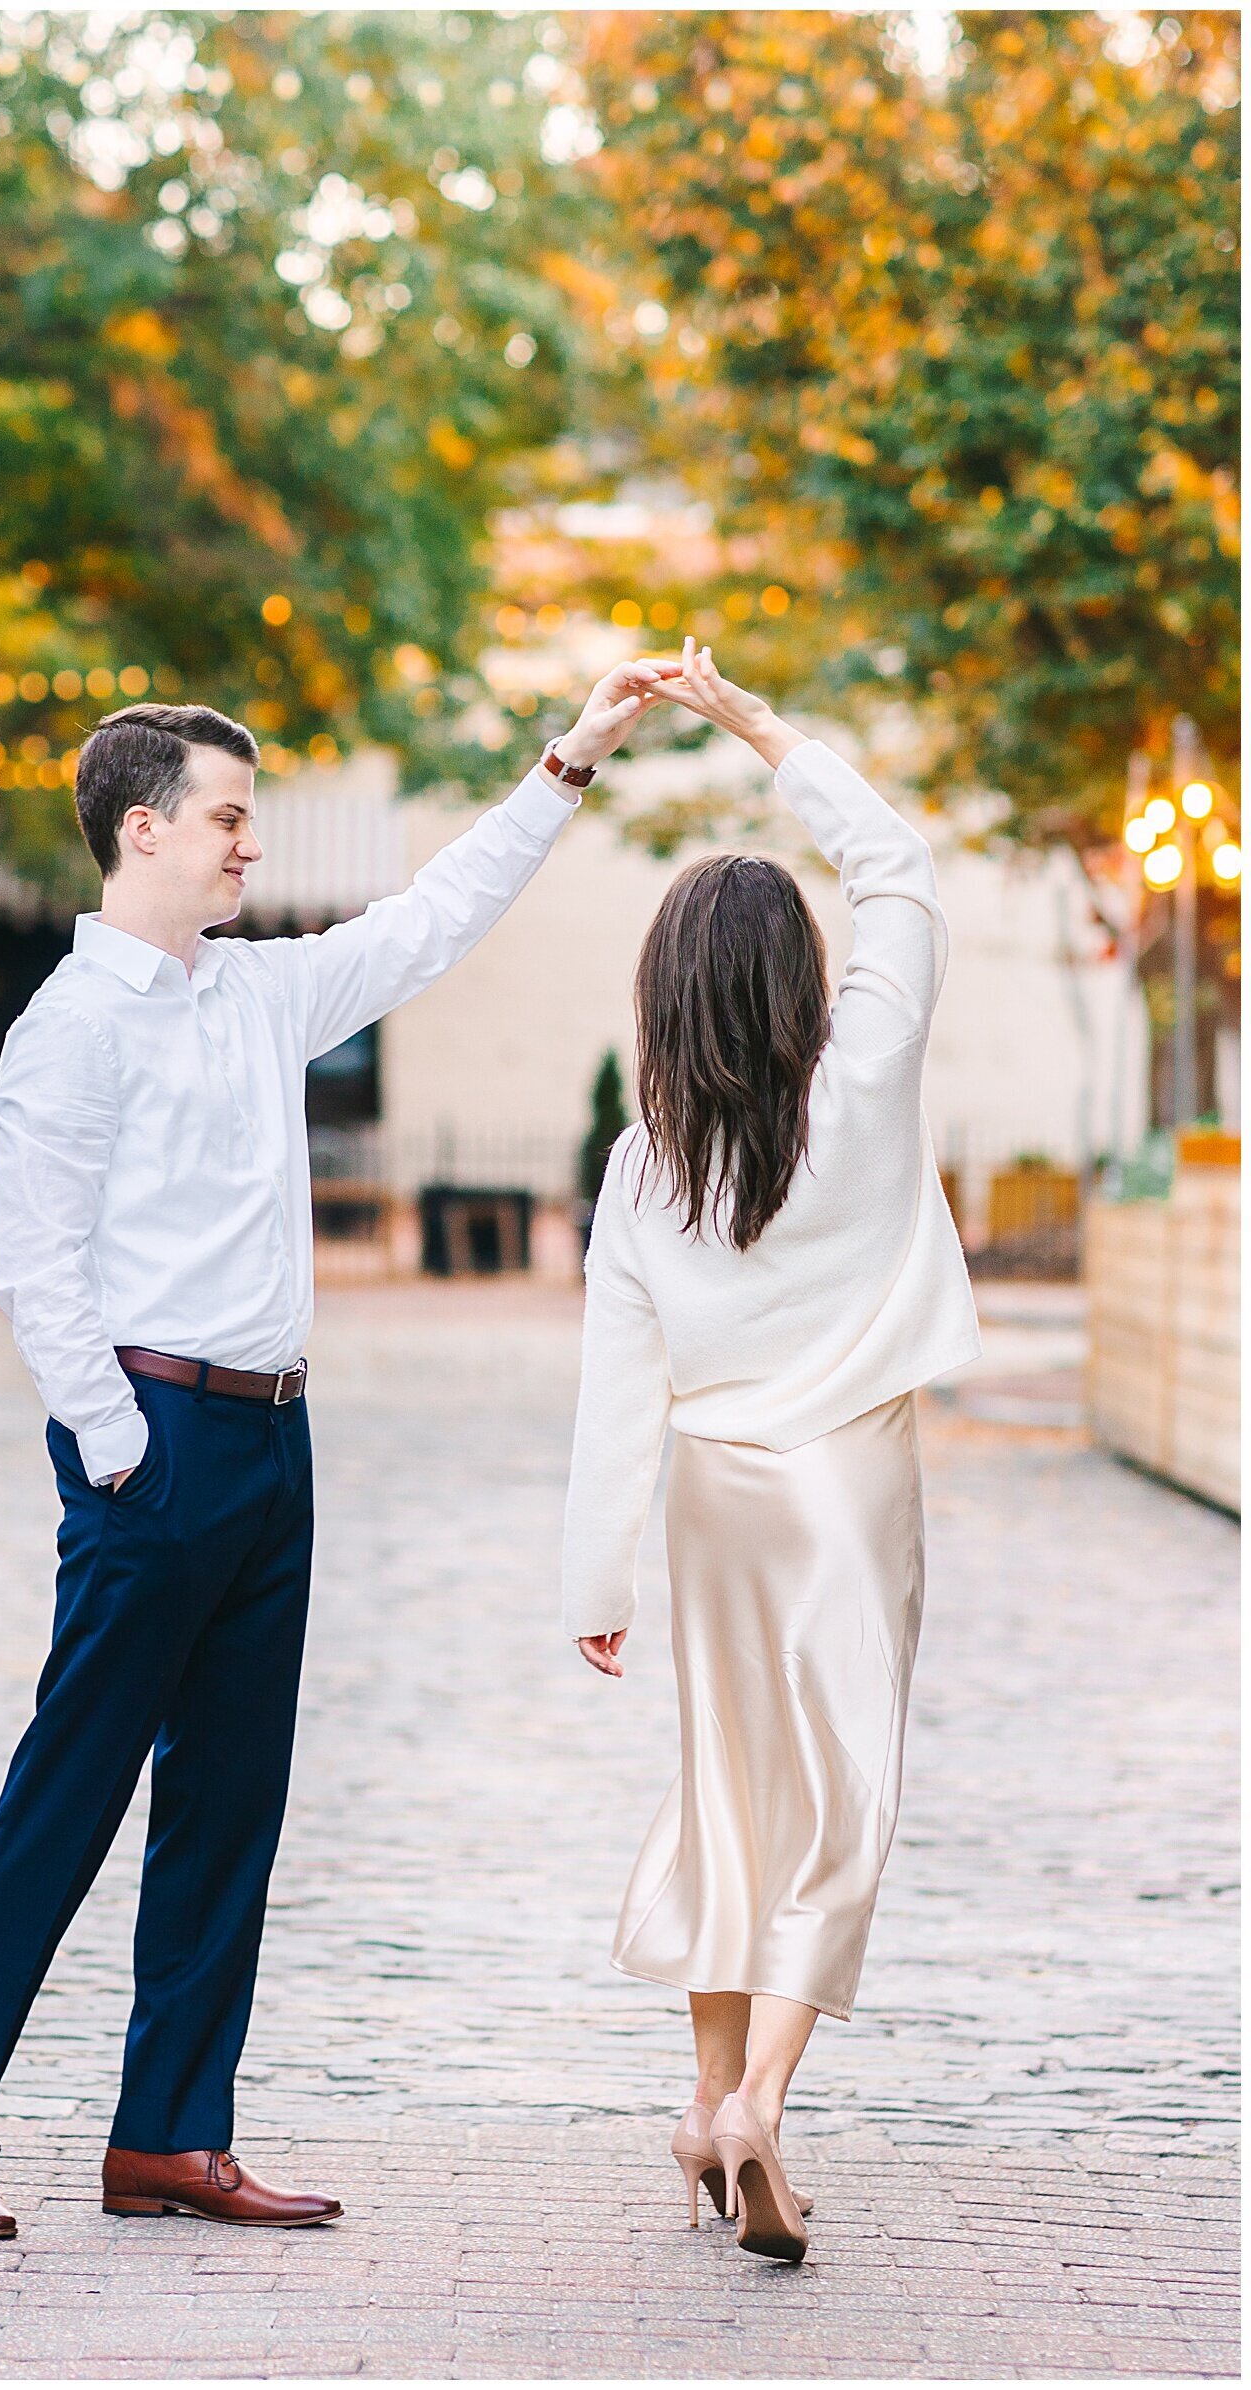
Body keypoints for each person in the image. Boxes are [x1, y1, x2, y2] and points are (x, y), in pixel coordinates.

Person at [0, 660, 680, 2239]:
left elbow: (431, 918)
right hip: (154, 1443)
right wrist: (119, 1451)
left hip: (274, 1441)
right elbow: (34, 1264)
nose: (252, 844)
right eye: (231, 816)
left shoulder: (262, 994)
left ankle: (169, 2131)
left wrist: (570, 761)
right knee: (70, 1792)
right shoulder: (66, 1028)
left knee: (234, 1800)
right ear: (144, 831)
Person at [560, 641, 980, 2263]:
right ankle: (761, 2111)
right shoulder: (862, 1075)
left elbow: (619, 1376)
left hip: (715, 1504)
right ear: (801, 982)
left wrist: (597, 1573)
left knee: (726, 1788)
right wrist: (749, 719)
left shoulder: (641, 1159)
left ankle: (701, 2094)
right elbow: (901, 866)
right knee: (839, 1800)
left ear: (665, 998)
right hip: (847, 1479)